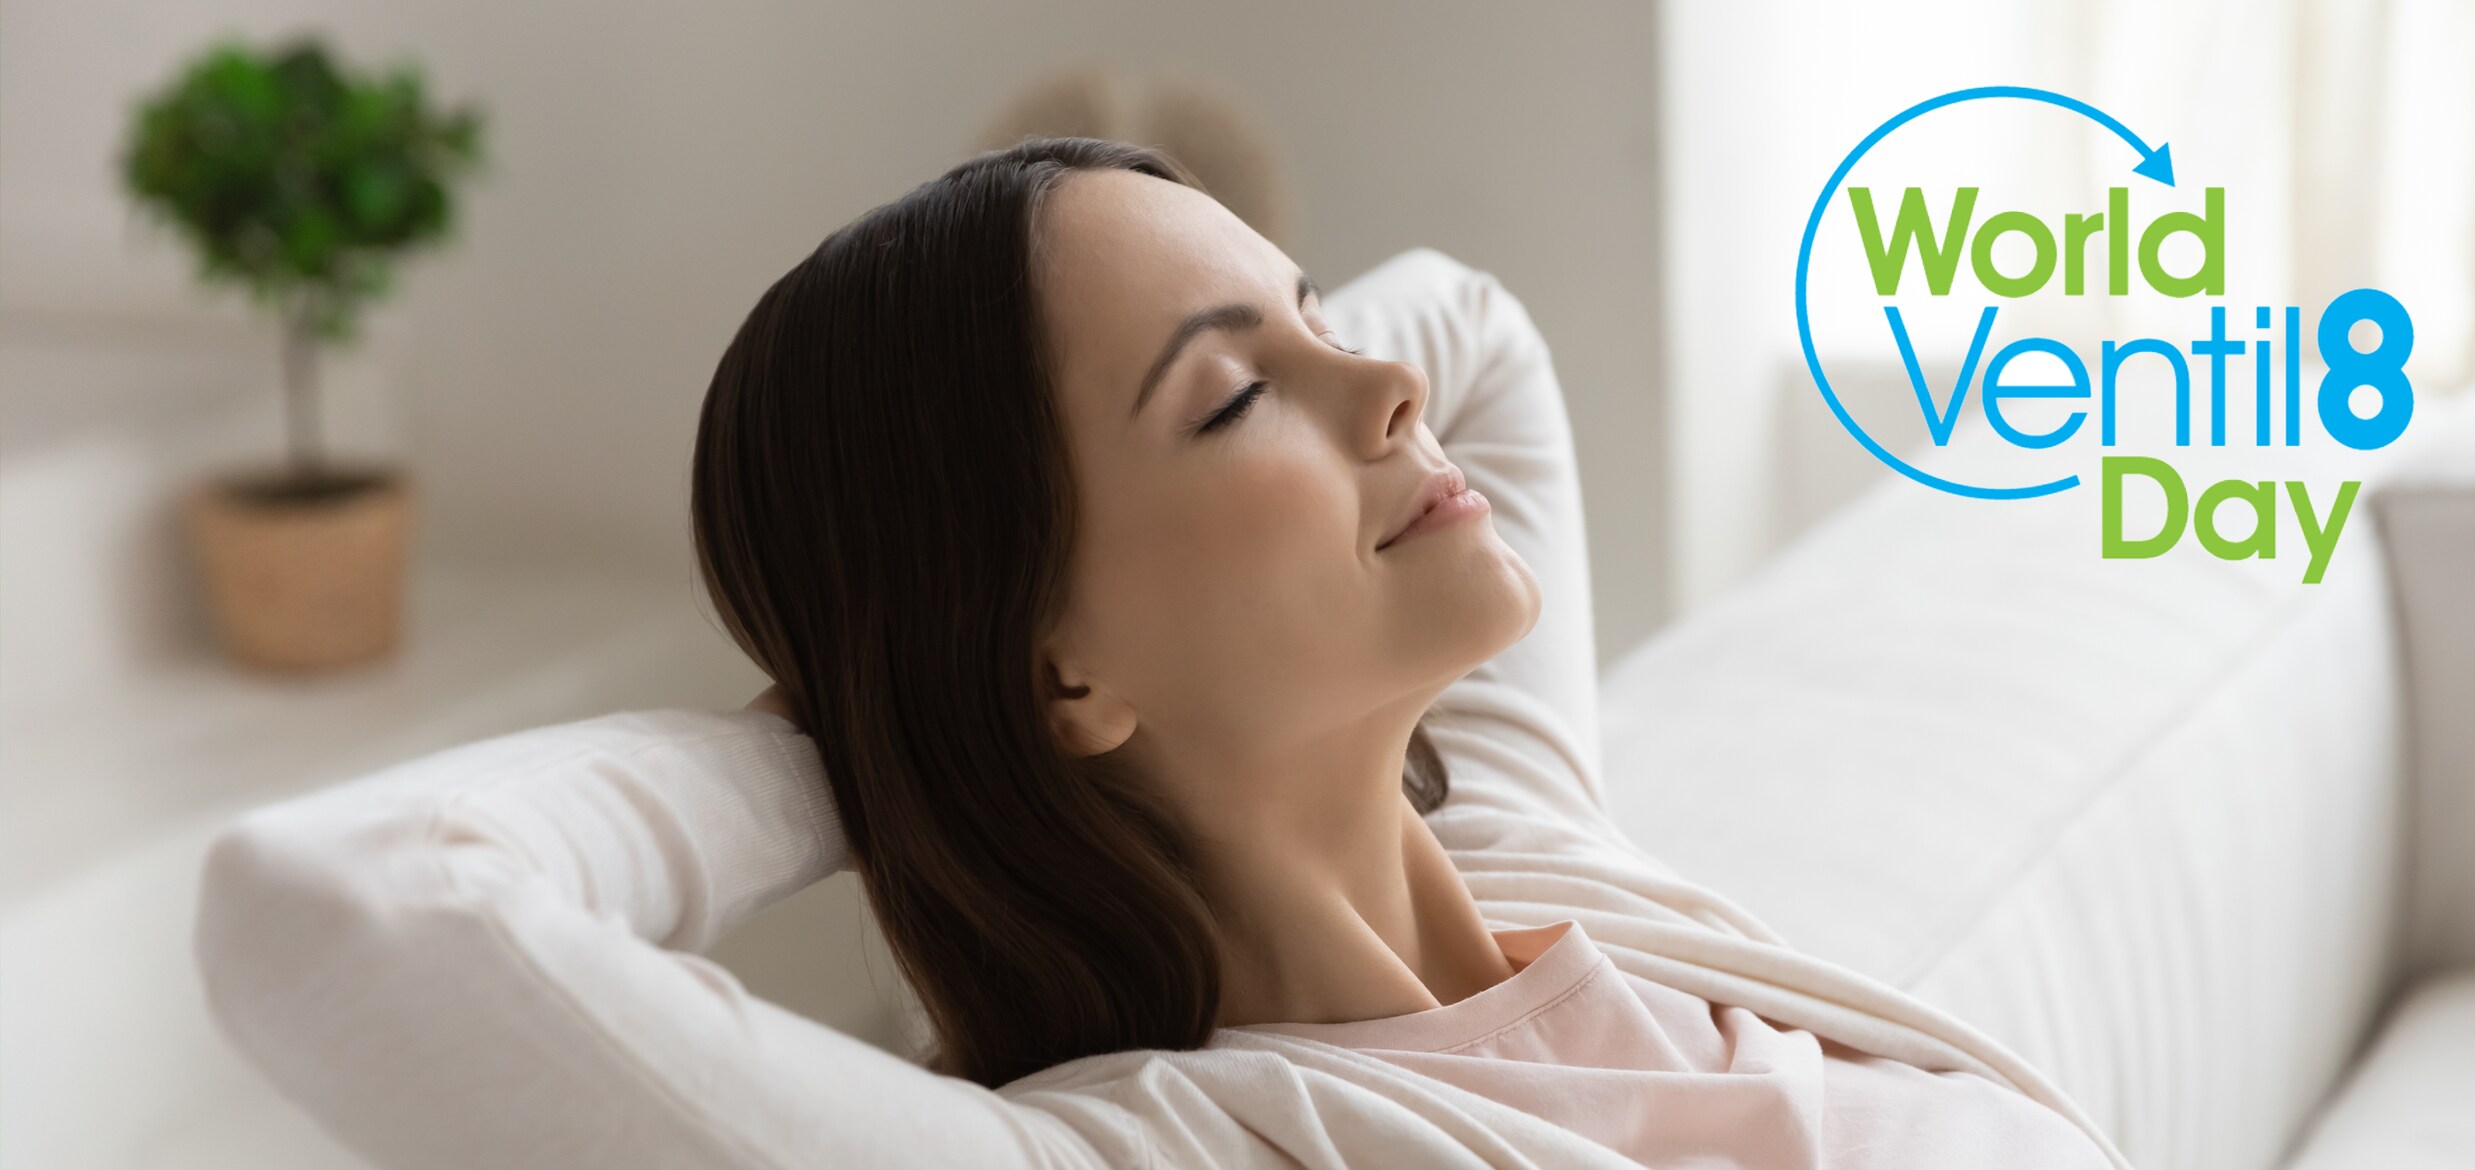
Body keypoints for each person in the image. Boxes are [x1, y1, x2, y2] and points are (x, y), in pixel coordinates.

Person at [193, 137, 2132, 1169]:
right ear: (1053, 673)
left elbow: (1467, 324)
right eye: (1229, 399)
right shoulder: (1153, 1158)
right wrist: (854, 748)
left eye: (1301, 312)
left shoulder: (1539, 853)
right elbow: (340, 915)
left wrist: (958, 700)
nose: (1376, 382)